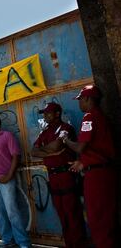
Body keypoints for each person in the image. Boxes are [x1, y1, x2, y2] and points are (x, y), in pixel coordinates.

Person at [61, 85, 117, 248]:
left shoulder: (89, 117)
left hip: (98, 177)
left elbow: (80, 147)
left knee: (98, 219)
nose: (79, 104)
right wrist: (84, 162)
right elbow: (99, 149)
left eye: (80, 100)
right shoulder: (101, 117)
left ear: (87, 99)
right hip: (104, 172)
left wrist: (65, 140)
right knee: (107, 218)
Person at [31, 102, 86, 248]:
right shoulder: (45, 132)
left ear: (57, 114)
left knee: (72, 213)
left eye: (48, 113)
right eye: (44, 113)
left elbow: (57, 145)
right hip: (53, 177)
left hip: (66, 175)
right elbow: (33, 151)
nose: (45, 116)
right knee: (62, 215)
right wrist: (52, 152)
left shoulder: (65, 128)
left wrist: (49, 150)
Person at [0, 115, 30, 248]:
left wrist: (10, 175)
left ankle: (23, 242)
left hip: (5, 178)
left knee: (12, 210)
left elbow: (16, 155)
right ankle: (7, 238)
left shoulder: (7, 136)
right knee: (0, 210)